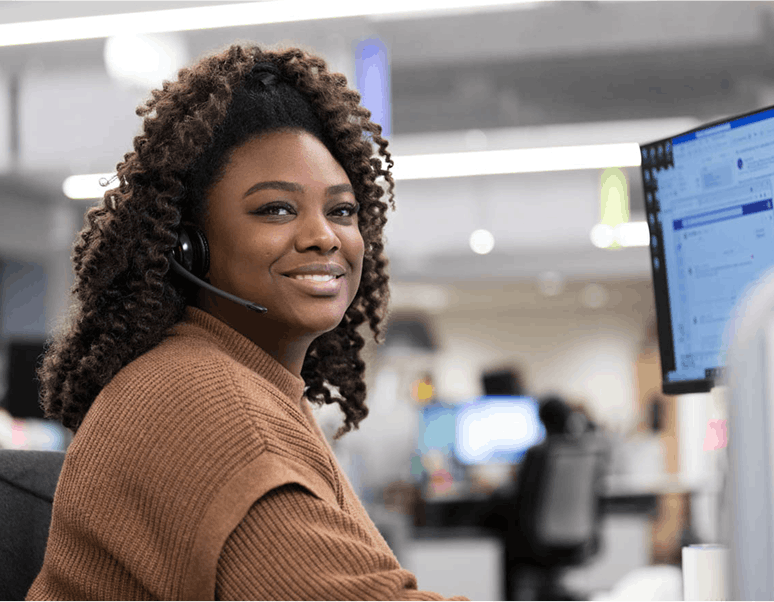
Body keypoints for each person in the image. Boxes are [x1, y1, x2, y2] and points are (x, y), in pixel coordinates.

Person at [25, 45, 469, 601]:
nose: (324, 236)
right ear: (188, 245)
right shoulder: (200, 400)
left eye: (341, 210)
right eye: (276, 210)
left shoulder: (245, 387)